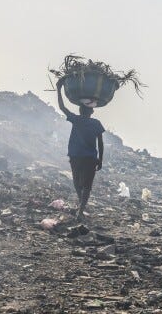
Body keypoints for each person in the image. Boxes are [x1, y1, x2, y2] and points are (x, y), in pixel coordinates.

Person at [57, 79, 105, 221]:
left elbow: (62, 107)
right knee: (86, 185)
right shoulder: (95, 123)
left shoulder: (76, 119)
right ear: (91, 111)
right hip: (89, 158)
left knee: (78, 183)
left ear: (81, 110)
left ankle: (81, 208)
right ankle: (81, 209)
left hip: (77, 156)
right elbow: (101, 144)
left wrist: (59, 89)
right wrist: (100, 160)